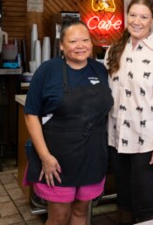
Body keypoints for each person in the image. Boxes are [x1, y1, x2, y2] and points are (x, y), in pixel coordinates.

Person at [24, 19, 113, 225]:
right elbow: (31, 115)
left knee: (81, 211)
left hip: (92, 155)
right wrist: (45, 157)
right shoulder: (47, 71)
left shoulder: (99, 70)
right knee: (59, 215)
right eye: (73, 41)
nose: (80, 45)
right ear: (62, 46)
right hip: (57, 159)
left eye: (85, 40)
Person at [105, 0, 153, 224]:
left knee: (144, 204)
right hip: (116, 140)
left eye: (144, 17)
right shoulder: (114, 50)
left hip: (146, 144)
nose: (137, 21)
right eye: (133, 15)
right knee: (124, 200)